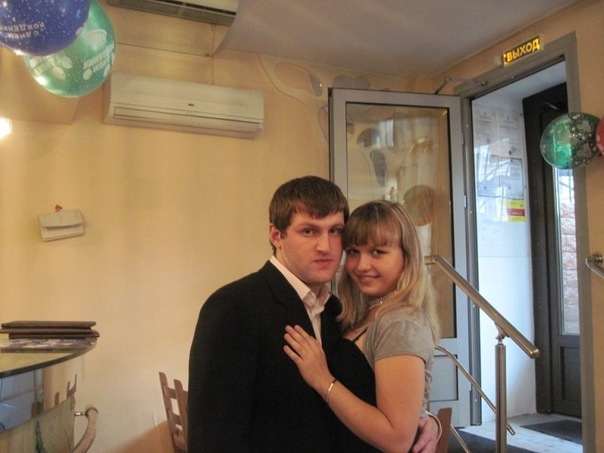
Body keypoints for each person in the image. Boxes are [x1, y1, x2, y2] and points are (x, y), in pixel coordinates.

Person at [188, 177, 439, 453]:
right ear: (276, 235)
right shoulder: (234, 307)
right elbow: (213, 438)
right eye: (309, 231)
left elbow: (366, 392)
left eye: (335, 231)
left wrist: (422, 419)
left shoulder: (336, 311)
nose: (325, 246)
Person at [284, 200, 441, 453]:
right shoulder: (364, 312)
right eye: (354, 252)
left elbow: (397, 439)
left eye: (377, 252)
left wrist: (323, 380)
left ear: (407, 256)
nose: (361, 265)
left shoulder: (399, 323)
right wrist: (426, 419)